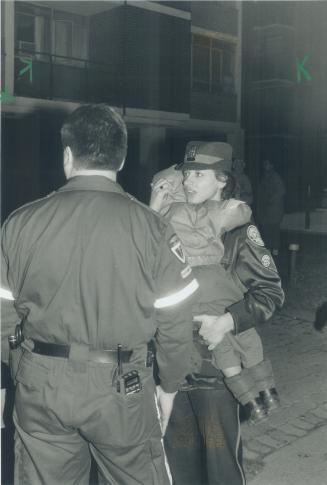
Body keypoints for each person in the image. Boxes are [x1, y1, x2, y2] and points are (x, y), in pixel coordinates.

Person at [0, 104, 199, 485]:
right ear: (121, 159)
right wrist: (169, 386)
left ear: (67, 156)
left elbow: (2, 315)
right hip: (122, 388)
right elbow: (175, 321)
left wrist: (23, 368)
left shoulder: (20, 223)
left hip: (41, 384)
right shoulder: (152, 229)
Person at [150, 141, 285, 485]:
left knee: (220, 467)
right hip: (172, 368)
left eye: (200, 174)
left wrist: (226, 321)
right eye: (187, 174)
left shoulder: (238, 230)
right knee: (180, 468)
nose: (190, 182)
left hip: (215, 375)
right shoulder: (165, 222)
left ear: (222, 180)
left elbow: (270, 293)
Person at [257, 159, 286, 256]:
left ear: (272, 165)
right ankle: (268, 248)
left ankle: (275, 250)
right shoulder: (264, 177)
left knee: (274, 229)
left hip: (274, 208)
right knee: (266, 229)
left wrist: (271, 199)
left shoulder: (275, 176)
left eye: (267, 164)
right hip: (266, 209)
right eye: (264, 164)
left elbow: (281, 191)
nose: (265, 165)